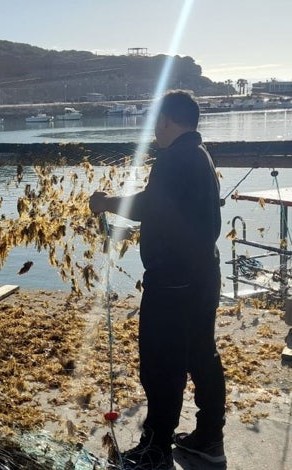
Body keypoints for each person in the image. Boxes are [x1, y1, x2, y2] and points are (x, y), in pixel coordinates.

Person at [89, 90, 226, 470]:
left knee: (161, 365)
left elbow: (149, 206)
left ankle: (156, 449)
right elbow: (175, 216)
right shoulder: (199, 156)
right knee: (201, 356)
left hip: (174, 282)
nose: (154, 132)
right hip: (202, 275)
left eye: (156, 123)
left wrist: (106, 203)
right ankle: (209, 437)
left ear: (166, 120)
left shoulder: (174, 159)